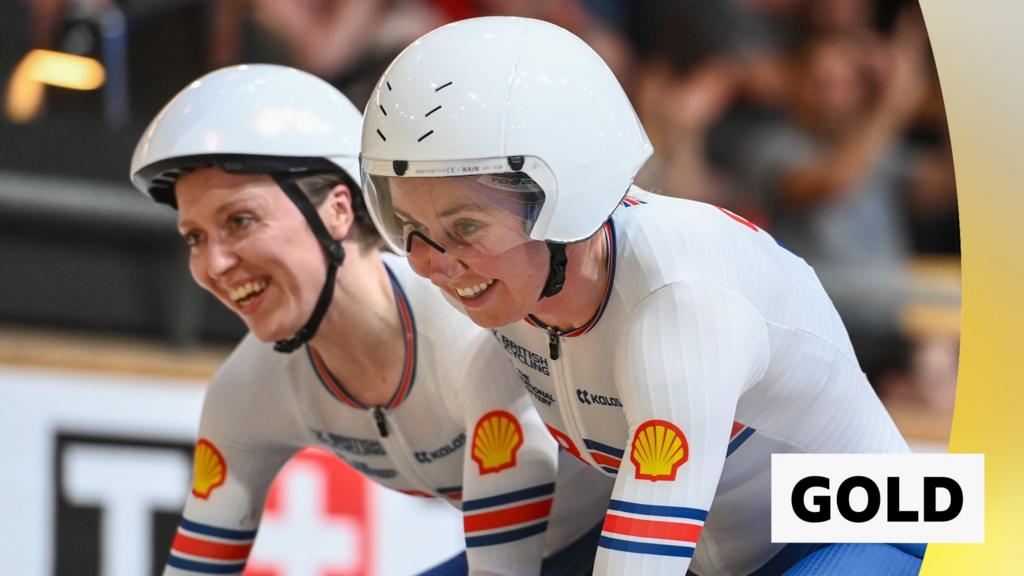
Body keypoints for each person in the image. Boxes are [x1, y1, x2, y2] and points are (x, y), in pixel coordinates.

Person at [359, 17, 922, 575]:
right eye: (406, 225)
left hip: (877, 533)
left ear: (566, 202)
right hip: (719, 551)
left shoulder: (679, 299)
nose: (428, 263)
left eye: (466, 228)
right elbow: (503, 551)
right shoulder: (512, 289)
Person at [130, 64, 612, 576]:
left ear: (339, 210)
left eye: (240, 221)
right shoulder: (246, 389)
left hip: (658, 539)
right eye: (195, 238)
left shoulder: (470, 332)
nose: (215, 264)